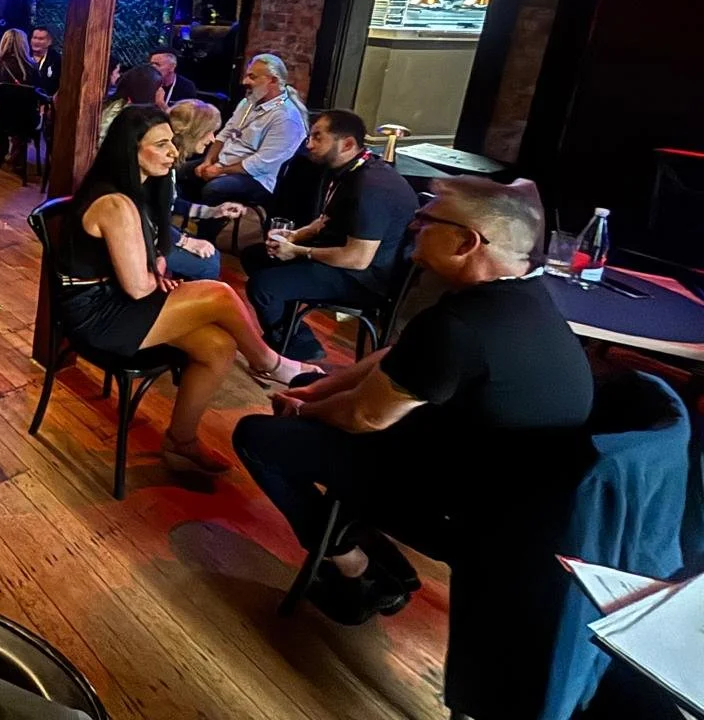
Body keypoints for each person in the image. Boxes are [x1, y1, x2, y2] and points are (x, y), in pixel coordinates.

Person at [233, 177, 593, 623]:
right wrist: (317, 387)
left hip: (462, 506)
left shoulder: (460, 326)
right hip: (499, 476)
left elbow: (363, 416)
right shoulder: (521, 297)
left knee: (258, 437)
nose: (412, 225)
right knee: (317, 395)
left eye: (426, 219)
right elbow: (400, 356)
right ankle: (360, 547)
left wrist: (305, 408)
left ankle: (359, 571)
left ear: (466, 241)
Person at [55, 105, 314, 475]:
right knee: (219, 293)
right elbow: (139, 286)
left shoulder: (142, 189)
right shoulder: (115, 202)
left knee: (218, 346)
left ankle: (181, 442)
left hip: (116, 298)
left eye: (172, 143)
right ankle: (269, 363)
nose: (174, 152)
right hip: (95, 314)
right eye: (161, 145)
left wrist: (158, 270)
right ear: (131, 149)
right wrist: (157, 275)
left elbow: (153, 261)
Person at [240, 110, 420, 359]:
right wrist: (295, 236)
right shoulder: (351, 168)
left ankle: (298, 350)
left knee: (264, 287)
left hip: (365, 279)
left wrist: (298, 251)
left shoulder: (371, 187)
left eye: (317, 137)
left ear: (347, 144)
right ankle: (288, 333)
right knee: (255, 256)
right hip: (343, 256)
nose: (309, 144)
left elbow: (358, 258)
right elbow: (325, 221)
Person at [188, 53, 308, 212]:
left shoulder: (286, 118)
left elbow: (261, 163)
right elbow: (225, 133)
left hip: (256, 178)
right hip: (225, 163)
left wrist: (220, 171)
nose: (245, 81)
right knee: (180, 171)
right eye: (246, 75)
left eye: (252, 77)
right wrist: (208, 161)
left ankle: (207, 232)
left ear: (273, 80)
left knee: (214, 189)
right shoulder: (248, 102)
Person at [159, 99, 245, 282]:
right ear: (194, 132)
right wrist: (186, 242)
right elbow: (149, 215)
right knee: (208, 264)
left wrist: (212, 211)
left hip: (158, 233)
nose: (213, 139)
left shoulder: (172, 162)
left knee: (211, 256)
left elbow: (171, 202)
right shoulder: (160, 164)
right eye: (210, 132)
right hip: (146, 240)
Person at [0, 29, 39, 171]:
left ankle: (2, 153)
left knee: (2, 111)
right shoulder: (32, 66)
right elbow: (37, 90)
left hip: (2, 118)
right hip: (24, 120)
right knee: (25, 116)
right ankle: (18, 155)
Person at [98, 64, 165, 149]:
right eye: (159, 87)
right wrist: (162, 105)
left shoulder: (116, 103)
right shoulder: (139, 119)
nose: (162, 92)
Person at [30, 26, 61, 96]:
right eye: (34, 38)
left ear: (49, 42)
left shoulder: (56, 60)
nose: (36, 41)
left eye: (41, 39)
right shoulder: (24, 57)